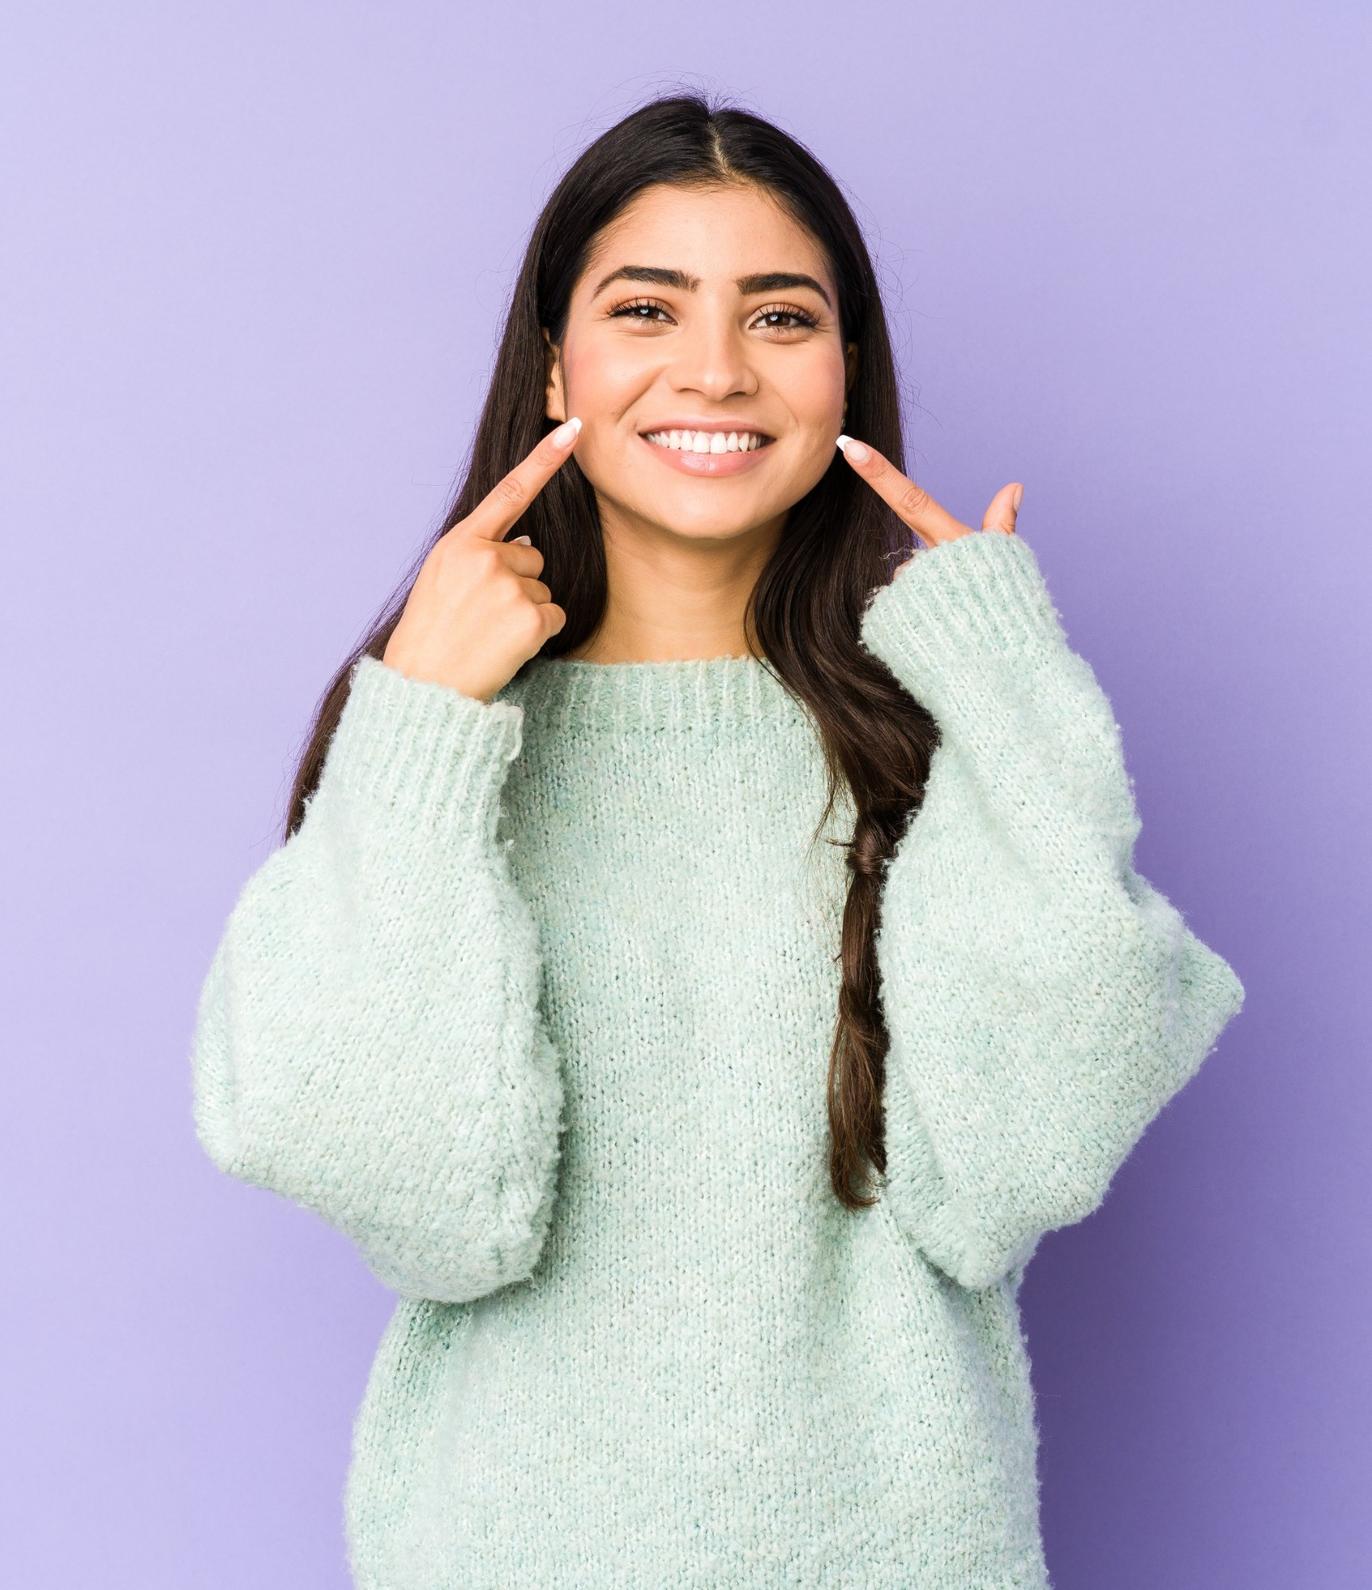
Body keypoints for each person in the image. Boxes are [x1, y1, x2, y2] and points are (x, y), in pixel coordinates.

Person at [189, 91, 1246, 1589]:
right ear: (554, 360)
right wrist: (419, 719)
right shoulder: (437, 745)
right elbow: (426, 1210)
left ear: (847, 364)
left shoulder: (949, 729)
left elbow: (1015, 1172)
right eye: (647, 308)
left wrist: (1013, 692)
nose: (715, 368)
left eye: (780, 316)